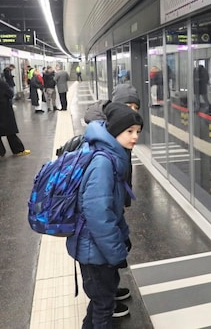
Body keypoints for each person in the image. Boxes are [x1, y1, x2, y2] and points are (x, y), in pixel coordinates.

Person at [67, 102, 143, 327]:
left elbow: (112, 209)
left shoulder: (111, 155)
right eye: (129, 131)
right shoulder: (103, 163)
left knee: (101, 299)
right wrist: (116, 252)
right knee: (103, 304)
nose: (135, 137)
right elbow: (98, 215)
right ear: (115, 131)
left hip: (95, 248)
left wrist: (123, 235)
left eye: (138, 132)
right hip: (94, 250)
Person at [0, 63, 31, 157]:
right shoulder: (2, 82)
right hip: (4, 110)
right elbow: (10, 94)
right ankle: (18, 150)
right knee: (10, 132)